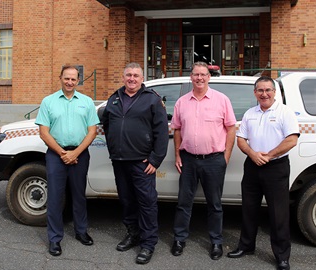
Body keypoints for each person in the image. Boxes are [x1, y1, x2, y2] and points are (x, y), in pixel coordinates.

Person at [227, 76, 300, 270]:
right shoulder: (250, 113)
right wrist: (252, 154)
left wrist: (269, 155)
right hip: (252, 166)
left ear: (274, 92)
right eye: (260, 90)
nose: (264, 94)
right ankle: (246, 246)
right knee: (249, 209)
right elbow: (241, 139)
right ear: (255, 93)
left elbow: (292, 139)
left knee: (279, 214)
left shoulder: (285, 112)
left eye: (268, 90)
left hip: (275, 167)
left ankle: (282, 256)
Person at [100, 62, 168, 264]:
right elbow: (107, 125)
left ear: (141, 79)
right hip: (120, 161)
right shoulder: (114, 98)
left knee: (147, 203)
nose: (132, 78)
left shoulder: (152, 100)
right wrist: (113, 148)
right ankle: (133, 233)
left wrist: (156, 159)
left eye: (136, 75)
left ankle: (148, 244)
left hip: (142, 162)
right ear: (123, 77)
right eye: (128, 75)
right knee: (127, 200)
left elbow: (161, 132)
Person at [170, 62, 236, 260]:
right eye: (196, 74)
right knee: (183, 202)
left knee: (214, 204)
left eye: (203, 75)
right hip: (189, 160)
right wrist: (177, 155)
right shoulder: (182, 102)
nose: (199, 78)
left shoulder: (222, 100)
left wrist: (225, 157)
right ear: (191, 77)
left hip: (214, 160)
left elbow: (231, 128)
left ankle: (216, 242)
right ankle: (179, 239)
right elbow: (177, 130)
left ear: (209, 77)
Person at [35, 65, 99, 256]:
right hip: (56, 155)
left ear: (78, 81)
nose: (70, 82)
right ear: (60, 78)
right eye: (66, 78)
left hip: (80, 155)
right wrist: (63, 153)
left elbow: (92, 131)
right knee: (55, 197)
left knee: (79, 195)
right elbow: (44, 132)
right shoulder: (48, 102)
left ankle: (81, 231)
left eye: (73, 79)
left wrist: (75, 153)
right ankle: (54, 239)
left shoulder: (87, 102)